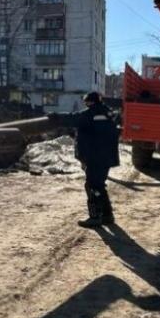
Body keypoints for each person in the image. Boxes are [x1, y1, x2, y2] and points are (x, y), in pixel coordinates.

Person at [48, 92, 121, 228]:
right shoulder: (108, 113)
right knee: (99, 184)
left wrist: (55, 116)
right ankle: (107, 215)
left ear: (90, 102)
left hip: (95, 156)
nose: (85, 104)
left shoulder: (91, 114)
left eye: (86, 102)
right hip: (106, 156)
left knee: (92, 185)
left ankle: (95, 217)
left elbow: (73, 118)